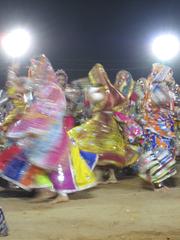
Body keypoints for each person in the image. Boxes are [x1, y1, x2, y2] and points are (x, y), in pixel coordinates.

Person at [138, 63, 177, 190]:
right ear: (162, 74)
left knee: (166, 150)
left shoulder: (164, 88)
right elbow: (154, 106)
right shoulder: (156, 88)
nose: (171, 75)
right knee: (159, 150)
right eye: (169, 73)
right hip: (158, 125)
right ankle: (157, 181)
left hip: (166, 124)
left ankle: (160, 180)